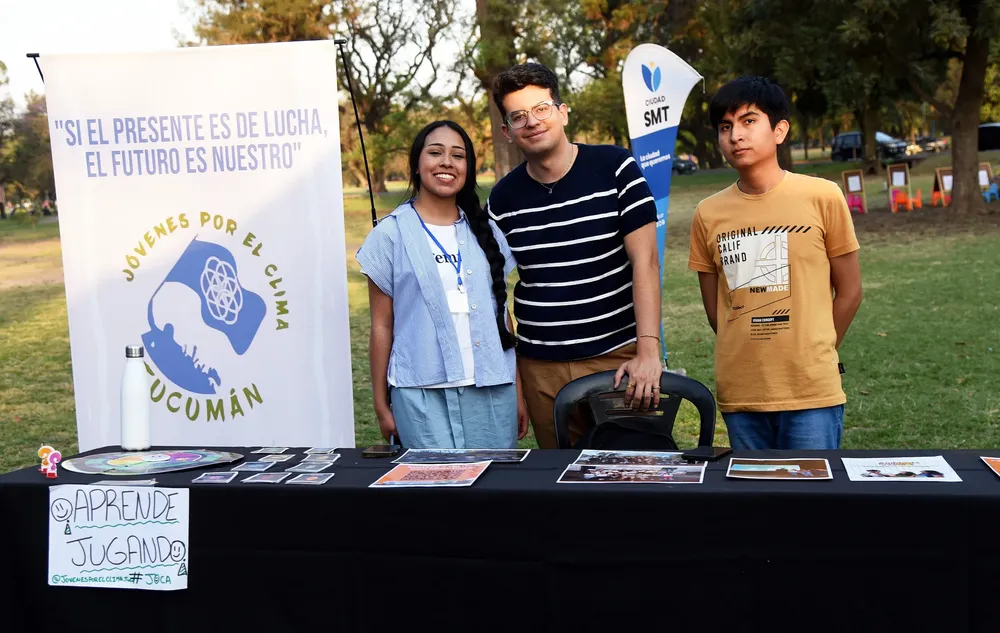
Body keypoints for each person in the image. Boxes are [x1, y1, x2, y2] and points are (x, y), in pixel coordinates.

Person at [486, 62, 663, 448]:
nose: (532, 122)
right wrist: (516, 378)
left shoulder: (616, 167)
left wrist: (649, 350)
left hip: (616, 358)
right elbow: (494, 294)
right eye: (518, 116)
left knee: (634, 473)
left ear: (562, 112)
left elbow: (646, 262)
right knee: (562, 483)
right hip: (540, 366)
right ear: (508, 131)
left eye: (542, 108)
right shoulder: (502, 199)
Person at [688, 76, 863, 450]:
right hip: (742, 392)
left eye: (749, 121)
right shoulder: (707, 213)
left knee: (811, 504)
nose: (736, 135)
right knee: (755, 505)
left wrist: (815, 350)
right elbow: (718, 309)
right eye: (725, 127)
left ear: (779, 130)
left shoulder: (822, 196)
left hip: (811, 390)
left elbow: (850, 292)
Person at [357, 120, 528, 449]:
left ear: (468, 168)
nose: (447, 162)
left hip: (492, 392)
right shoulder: (389, 235)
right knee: (431, 494)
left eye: (458, 155)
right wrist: (381, 405)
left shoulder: (487, 233)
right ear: (417, 165)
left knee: (493, 492)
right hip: (420, 395)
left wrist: (517, 391)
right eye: (435, 153)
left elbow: (502, 318)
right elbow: (381, 325)